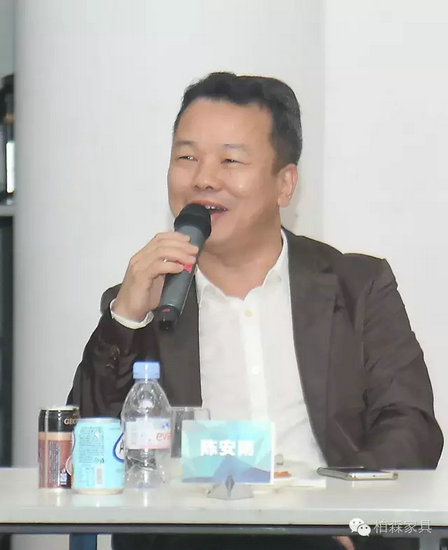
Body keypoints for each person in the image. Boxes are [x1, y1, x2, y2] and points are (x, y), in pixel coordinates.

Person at [68, 72, 443, 550]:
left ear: (285, 184)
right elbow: (83, 448)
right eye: (187, 157)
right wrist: (124, 318)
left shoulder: (357, 286)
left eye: (230, 160)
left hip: (327, 534)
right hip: (190, 536)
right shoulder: (148, 299)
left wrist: (351, 518)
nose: (204, 179)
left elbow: (410, 424)